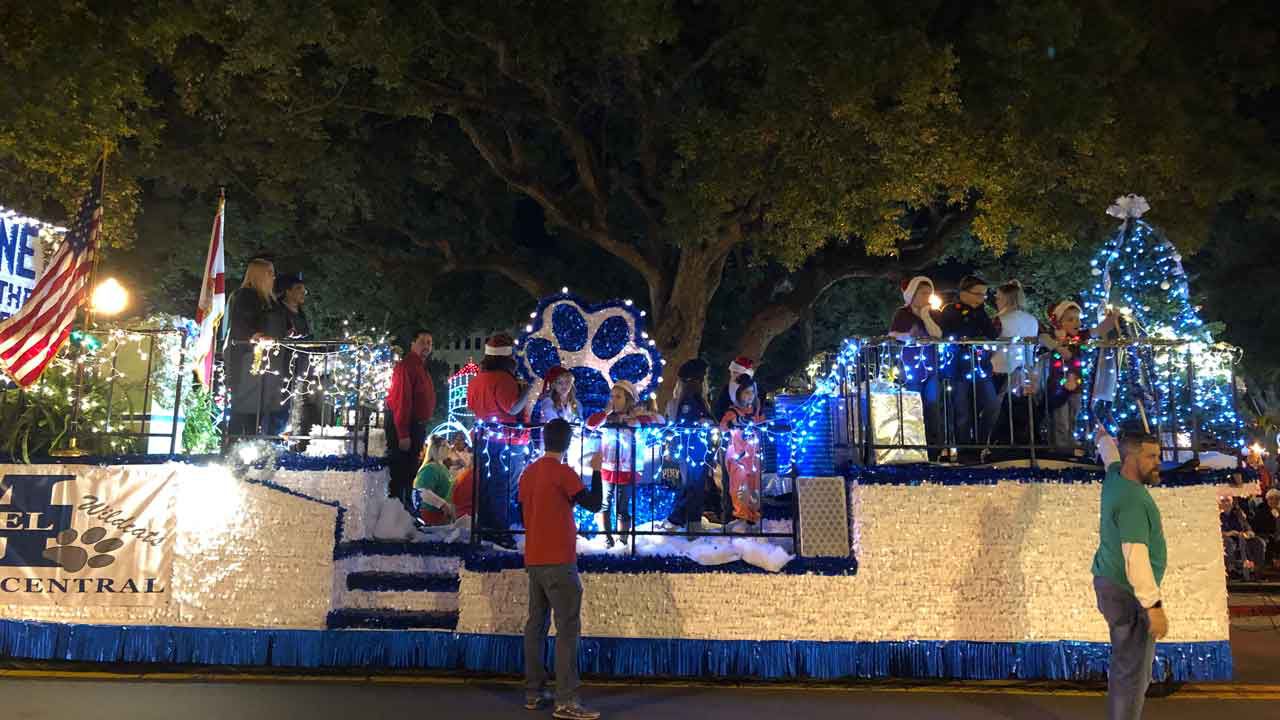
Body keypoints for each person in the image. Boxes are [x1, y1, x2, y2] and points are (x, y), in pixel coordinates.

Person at [519, 420, 603, 720]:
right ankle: (566, 699)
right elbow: (594, 504)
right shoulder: (563, 473)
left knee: (536, 625)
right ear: (567, 443)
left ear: (544, 440)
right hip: (559, 560)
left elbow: (522, 511)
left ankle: (534, 691)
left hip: (535, 559)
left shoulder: (528, 473)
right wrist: (596, 469)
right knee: (567, 629)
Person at [1091, 424, 1168, 720]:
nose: (1157, 462)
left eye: (1157, 455)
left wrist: (1102, 436)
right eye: (1150, 456)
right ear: (1132, 460)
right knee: (1133, 675)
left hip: (1110, 584)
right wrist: (1153, 607)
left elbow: (1109, 453)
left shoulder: (1114, 478)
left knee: (1128, 666)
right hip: (1128, 592)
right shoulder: (1133, 500)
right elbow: (1135, 558)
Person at [467, 333, 542, 544]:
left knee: (486, 485)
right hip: (505, 441)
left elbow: (471, 406)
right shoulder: (504, 379)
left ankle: (485, 526)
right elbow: (513, 407)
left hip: (483, 439)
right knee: (504, 486)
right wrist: (529, 389)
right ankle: (501, 531)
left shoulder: (476, 380)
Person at [585, 380, 661, 548]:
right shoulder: (607, 417)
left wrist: (638, 420)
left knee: (623, 506)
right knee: (604, 503)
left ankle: (623, 540)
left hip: (628, 468)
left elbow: (659, 420)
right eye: (611, 396)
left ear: (628, 399)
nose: (613, 400)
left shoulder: (638, 415)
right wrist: (606, 411)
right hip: (607, 467)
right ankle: (606, 538)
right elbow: (589, 424)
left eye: (618, 397)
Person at [938, 275, 1001, 462]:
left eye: (984, 294)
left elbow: (991, 334)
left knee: (992, 404)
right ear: (964, 293)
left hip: (981, 367)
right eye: (978, 294)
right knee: (962, 411)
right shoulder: (950, 311)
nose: (982, 298)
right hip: (958, 367)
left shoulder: (982, 313)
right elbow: (947, 334)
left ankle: (981, 443)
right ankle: (965, 450)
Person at [1040, 301, 1118, 451]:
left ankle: (1070, 446)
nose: (1076, 322)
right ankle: (1060, 449)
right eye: (1070, 319)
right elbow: (1042, 338)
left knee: (1073, 416)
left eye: (1077, 318)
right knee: (1060, 419)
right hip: (1058, 385)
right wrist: (1059, 347)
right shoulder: (1054, 336)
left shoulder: (1080, 336)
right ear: (1058, 321)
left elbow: (1099, 330)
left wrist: (1112, 318)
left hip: (1076, 384)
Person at [224, 256, 288, 438]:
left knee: (260, 405)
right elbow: (241, 323)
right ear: (259, 274)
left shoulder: (270, 300)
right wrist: (256, 335)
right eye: (270, 273)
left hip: (268, 360)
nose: (273, 277)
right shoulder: (246, 295)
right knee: (246, 404)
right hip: (250, 359)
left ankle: (251, 445)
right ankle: (235, 445)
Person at [659, 358, 717, 535]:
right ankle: (691, 524)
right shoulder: (691, 400)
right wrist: (706, 422)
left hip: (694, 449)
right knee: (694, 487)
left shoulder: (694, 400)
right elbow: (689, 423)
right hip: (693, 449)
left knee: (692, 486)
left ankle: (679, 520)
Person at [888, 275, 944, 458]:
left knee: (933, 405)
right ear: (913, 294)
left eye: (929, 293)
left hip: (931, 366)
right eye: (923, 293)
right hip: (911, 367)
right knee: (913, 405)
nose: (927, 296)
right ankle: (915, 448)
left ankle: (934, 449)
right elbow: (893, 334)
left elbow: (938, 335)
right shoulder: (902, 313)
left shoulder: (934, 313)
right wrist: (908, 336)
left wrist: (926, 316)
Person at [386, 330, 437, 510]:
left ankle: (404, 512)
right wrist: (403, 434)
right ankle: (398, 514)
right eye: (422, 341)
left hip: (416, 426)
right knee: (402, 473)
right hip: (408, 427)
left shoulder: (420, 367)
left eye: (429, 343)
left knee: (409, 473)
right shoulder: (407, 367)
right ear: (412, 344)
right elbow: (402, 401)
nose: (426, 346)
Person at [989, 280, 1040, 446]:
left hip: (1001, 369)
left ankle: (999, 445)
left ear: (1006, 299)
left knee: (999, 413)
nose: (996, 301)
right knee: (1022, 412)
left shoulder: (999, 320)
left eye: (998, 298)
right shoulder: (1032, 320)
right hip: (1026, 369)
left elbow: (991, 345)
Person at [276, 272, 319, 445]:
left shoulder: (301, 314)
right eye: (299, 289)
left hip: (301, 366)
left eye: (304, 290)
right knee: (282, 403)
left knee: (299, 403)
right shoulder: (279, 311)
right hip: (284, 366)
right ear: (287, 291)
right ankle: (276, 441)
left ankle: (294, 443)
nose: (303, 293)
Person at [721, 375, 767, 528]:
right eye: (746, 392)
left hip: (753, 455)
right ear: (738, 394)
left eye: (751, 392)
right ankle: (741, 515)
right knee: (739, 486)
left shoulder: (757, 411)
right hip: (738, 456)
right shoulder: (733, 412)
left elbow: (762, 425)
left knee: (754, 485)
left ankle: (753, 516)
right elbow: (724, 426)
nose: (749, 396)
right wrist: (734, 424)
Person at [1219, 495, 1264, 579]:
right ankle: (1232, 570)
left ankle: (1257, 571)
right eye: (1223, 501)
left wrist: (1247, 534)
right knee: (1228, 542)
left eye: (1228, 500)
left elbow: (1249, 530)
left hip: (1241, 539)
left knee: (1259, 542)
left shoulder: (1238, 514)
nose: (1226, 503)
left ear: (1232, 503)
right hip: (1226, 539)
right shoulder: (1217, 515)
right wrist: (1228, 533)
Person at [414, 436, 456, 526]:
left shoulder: (442, 467)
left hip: (441, 517)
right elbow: (422, 491)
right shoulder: (430, 468)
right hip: (430, 518)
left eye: (448, 444)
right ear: (434, 449)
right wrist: (443, 505)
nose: (448, 447)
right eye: (444, 445)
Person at [712, 356, 760, 421]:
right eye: (732, 372)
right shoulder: (727, 389)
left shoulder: (753, 386)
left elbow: (757, 403)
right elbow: (720, 406)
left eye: (736, 372)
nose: (732, 375)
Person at [1251, 489, 1280, 569]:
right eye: (1271, 498)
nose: (1274, 501)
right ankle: (1270, 564)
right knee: (1271, 541)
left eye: (1277, 498)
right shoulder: (1262, 508)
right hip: (1264, 533)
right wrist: (1273, 517)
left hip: (1276, 534)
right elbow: (1260, 525)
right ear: (1267, 500)